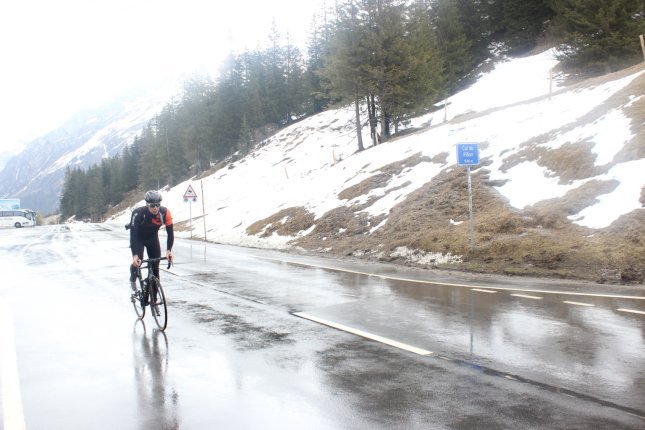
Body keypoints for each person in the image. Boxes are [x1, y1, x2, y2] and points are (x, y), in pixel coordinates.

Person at [128, 190, 174, 291]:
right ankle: (133, 277)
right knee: (138, 261)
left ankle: (155, 302)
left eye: (157, 205)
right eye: (152, 205)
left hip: (152, 238)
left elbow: (170, 233)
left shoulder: (165, 213)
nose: (155, 208)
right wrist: (135, 255)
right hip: (139, 239)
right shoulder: (138, 213)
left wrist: (169, 251)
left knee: (155, 270)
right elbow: (133, 235)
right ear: (147, 205)